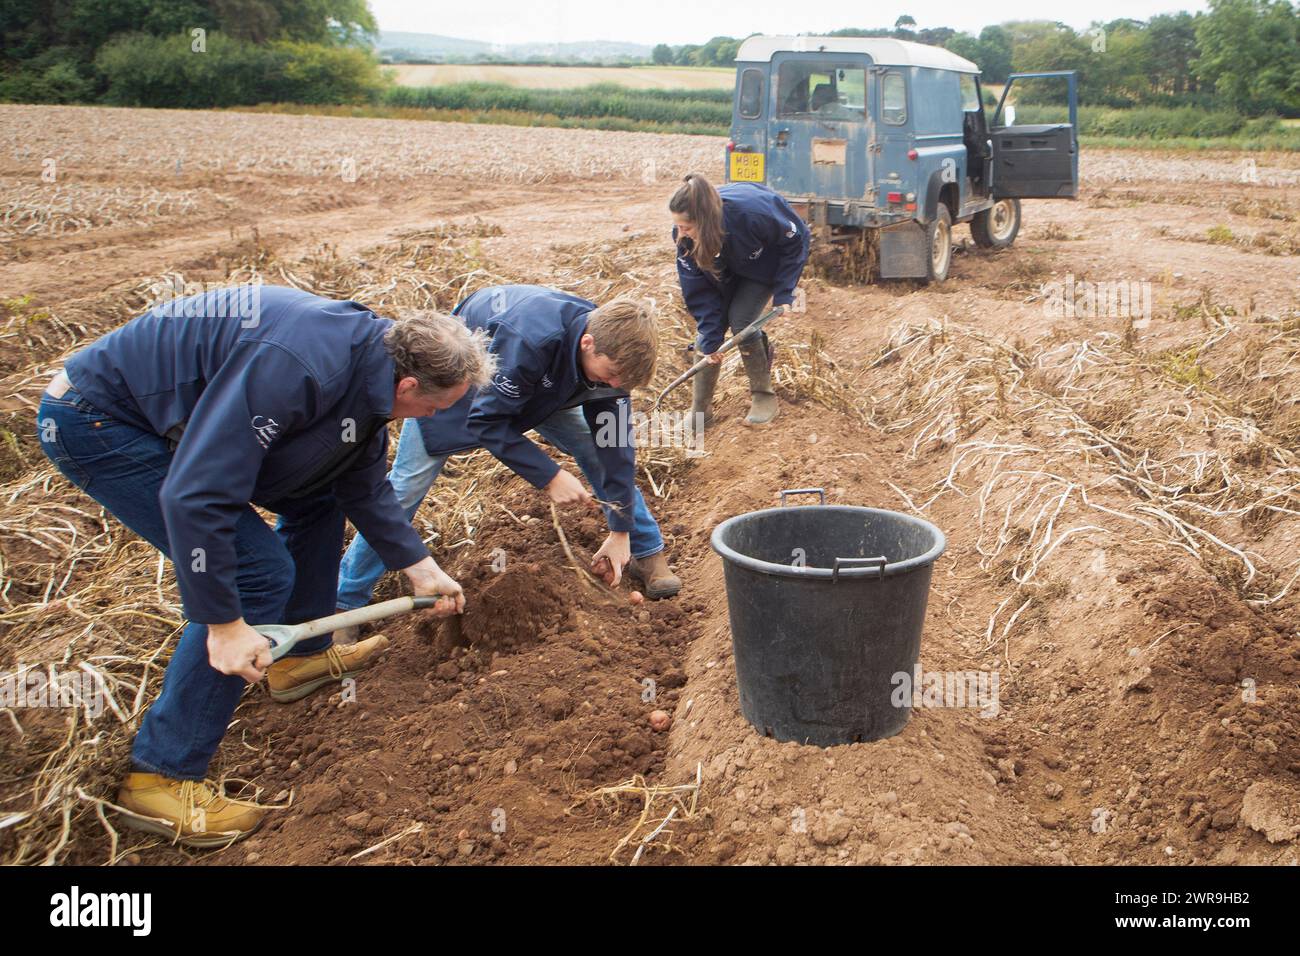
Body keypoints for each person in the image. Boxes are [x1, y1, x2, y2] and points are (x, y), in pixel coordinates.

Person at [37, 283, 494, 846]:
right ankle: (159, 777)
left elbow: (357, 475)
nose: (428, 419)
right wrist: (226, 624)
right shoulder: (299, 367)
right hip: (102, 421)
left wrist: (418, 565)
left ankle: (296, 660)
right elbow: (197, 493)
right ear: (407, 385)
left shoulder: (371, 363)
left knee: (319, 497)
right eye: (432, 408)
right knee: (259, 573)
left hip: (169, 422)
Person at [335, 283, 682, 620]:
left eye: (623, 382)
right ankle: (346, 601)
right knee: (407, 485)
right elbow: (487, 421)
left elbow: (616, 447)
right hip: (465, 379)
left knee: (596, 449)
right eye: (613, 375)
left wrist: (619, 530)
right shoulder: (529, 338)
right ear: (588, 344)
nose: (617, 385)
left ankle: (645, 550)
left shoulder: (612, 357)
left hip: (547, 385)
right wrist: (550, 476)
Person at [669, 173, 811, 426]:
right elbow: (698, 290)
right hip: (726, 268)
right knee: (707, 336)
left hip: (764, 264)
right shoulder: (685, 238)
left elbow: (796, 239)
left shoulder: (753, 213)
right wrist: (711, 345)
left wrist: (784, 292)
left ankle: (763, 396)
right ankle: (700, 413)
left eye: (687, 227)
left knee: (742, 321)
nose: (681, 234)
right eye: (678, 226)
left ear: (706, 220)